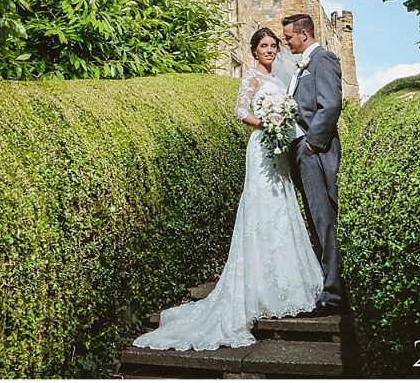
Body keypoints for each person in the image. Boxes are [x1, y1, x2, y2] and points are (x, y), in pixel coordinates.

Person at [132, 27, 323, 351]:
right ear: (254, 50)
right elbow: (241, 111)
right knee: (261, 208)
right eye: (264, 46)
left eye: (274, 46)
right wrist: (267, 123)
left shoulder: (279, 82)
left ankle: (288, 283)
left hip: (278, 152)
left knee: (282, 206)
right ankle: (259, 288)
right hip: (261, 147)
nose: (270, 50)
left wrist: (283, 124)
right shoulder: (251, 77)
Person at [282, 13, 345, 315]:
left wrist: (310, 144)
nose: (286, 42)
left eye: (289, 37)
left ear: (304, 34)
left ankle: (334, 295)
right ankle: (325, 285)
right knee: (316, 220)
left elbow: (330, 105)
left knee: (324, 221)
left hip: (316, 152)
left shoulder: (323, 59)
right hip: (302, 153)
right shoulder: (302, 65)